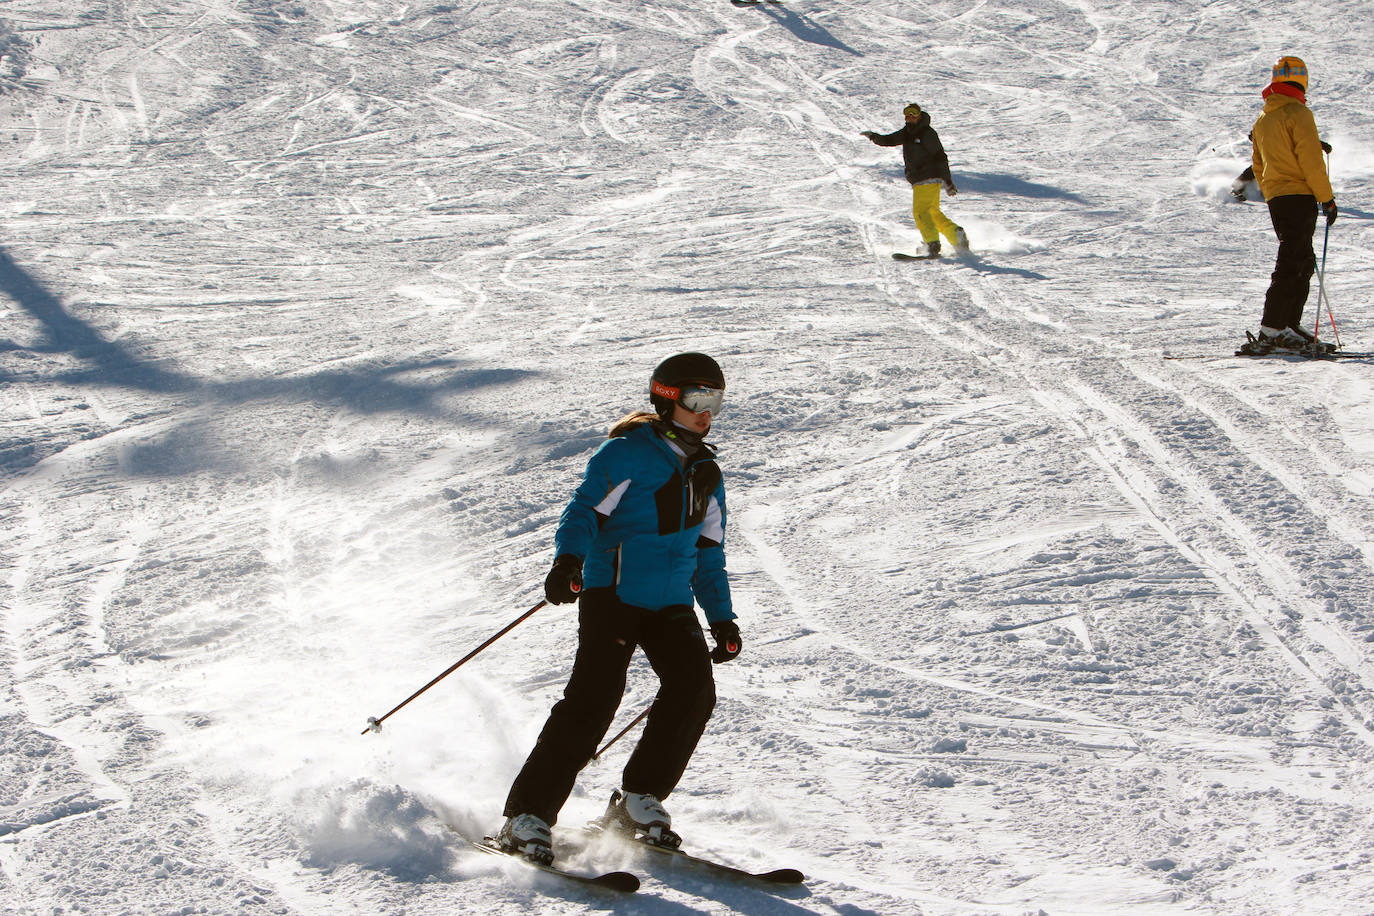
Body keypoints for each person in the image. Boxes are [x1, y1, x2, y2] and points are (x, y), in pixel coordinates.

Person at [495, 353, 741, 865]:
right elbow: (584, 511)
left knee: (694, 692)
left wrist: (721, 617)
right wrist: (568, 561)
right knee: (594, 701)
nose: (707, 412)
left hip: (671, 602)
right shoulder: (627, 453)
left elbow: (708, 552)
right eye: (697, 399)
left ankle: (637, 800)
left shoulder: (706, 471)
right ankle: (527, 815)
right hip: (615, 595)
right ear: (667, 400)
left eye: (715, 400)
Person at [1237, 56, 1338, 355]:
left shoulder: (1264, 119)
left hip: (1279, 198)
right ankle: (1273, 327)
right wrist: (1326, 198)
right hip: (1299, 195)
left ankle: (1288, 324)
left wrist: (1273, 192)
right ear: (1302, 79)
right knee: (1294, 260)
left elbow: (1258, 163)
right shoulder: (1298, 112)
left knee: (1301, 259)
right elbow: (1310, 161)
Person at [862, 103, 969, 258]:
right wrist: (873, 136)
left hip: (926, 176)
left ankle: (932, 244)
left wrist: (948, 180)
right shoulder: (908, 132)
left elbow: (940, 156)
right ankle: (955, 234)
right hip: (922, 179)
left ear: (920, 115)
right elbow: (890, 139)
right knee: (932, 212)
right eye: (907, 114)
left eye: (913, 113)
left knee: (921, 212)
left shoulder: (927, 132)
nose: (910, 117)